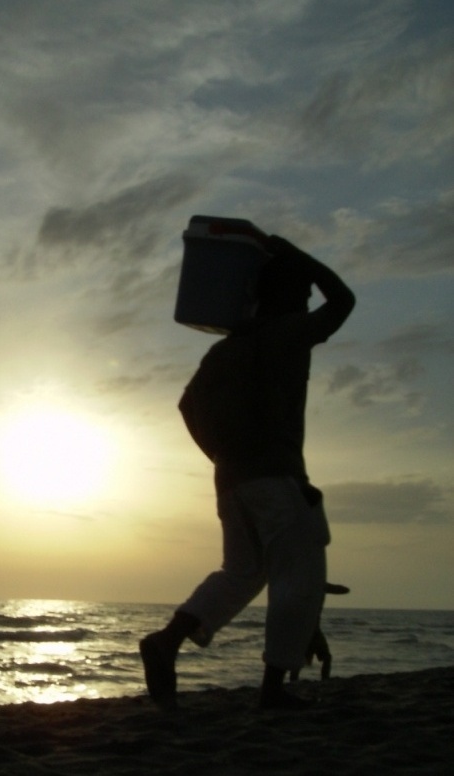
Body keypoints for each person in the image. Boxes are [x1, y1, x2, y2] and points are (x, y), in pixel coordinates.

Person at [140, 234, 356, 711]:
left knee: (241, 573)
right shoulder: (291, 331)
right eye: (301, 292)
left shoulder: (224, 351)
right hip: (276, 476)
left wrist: (221, 455)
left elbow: (186, 406)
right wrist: (296, 253)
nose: (306, 300)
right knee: (297, 577)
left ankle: (167, 641)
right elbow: (343, 300)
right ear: (288, 295)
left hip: (232, 479)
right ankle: (273, 690)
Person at [289, 582, 350, 682]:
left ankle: (294, 680)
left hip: (304, 629)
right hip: (312, 629)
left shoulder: (302, 586)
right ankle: (324, 679)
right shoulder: (319, 585)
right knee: (325, 657)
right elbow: (343, 590)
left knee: (300, 658)